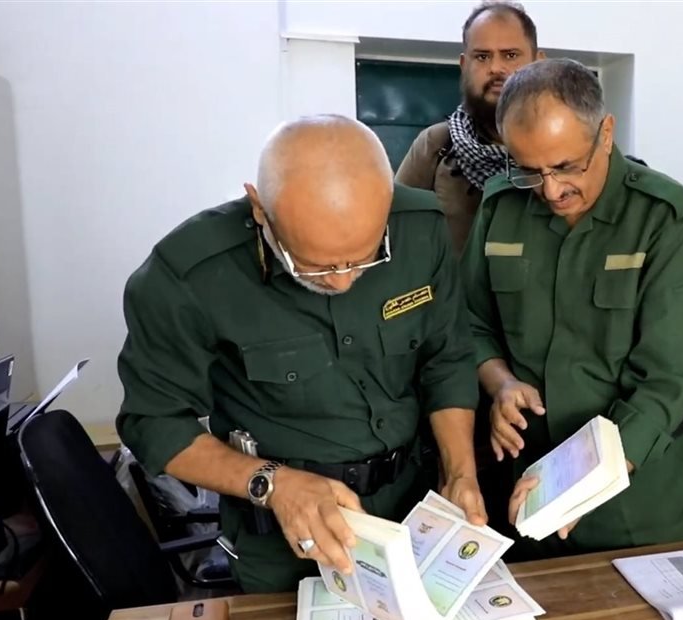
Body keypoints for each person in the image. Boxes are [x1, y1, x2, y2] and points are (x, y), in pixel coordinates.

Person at [115, 115, 486, 593]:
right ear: (260, 209)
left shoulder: (420, 229)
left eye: (364, 258)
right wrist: (271, 483)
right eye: (314, 265)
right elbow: (154, 423)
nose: (342, 281)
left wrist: (460, 472)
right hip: (281, 540)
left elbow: (447, 358)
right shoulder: (188, 277)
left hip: (411, 510)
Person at [462, 58, 683, 558]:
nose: (551, 191)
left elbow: (673, 375)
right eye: (529, 171)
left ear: (606, 134)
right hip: (527, 488)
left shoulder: (667, 218)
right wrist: (500, 383)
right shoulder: (500, 207)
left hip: (642, 497)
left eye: (566, 167)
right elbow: (470, 323)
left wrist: (587, 477)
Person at [396, 0, 544, 256]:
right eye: (482, 57)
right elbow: (393, 231)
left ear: (538, 62)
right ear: (464, 65)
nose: (496, 68)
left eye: (510, 55)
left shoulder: (564, 148)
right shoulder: (436, 145)